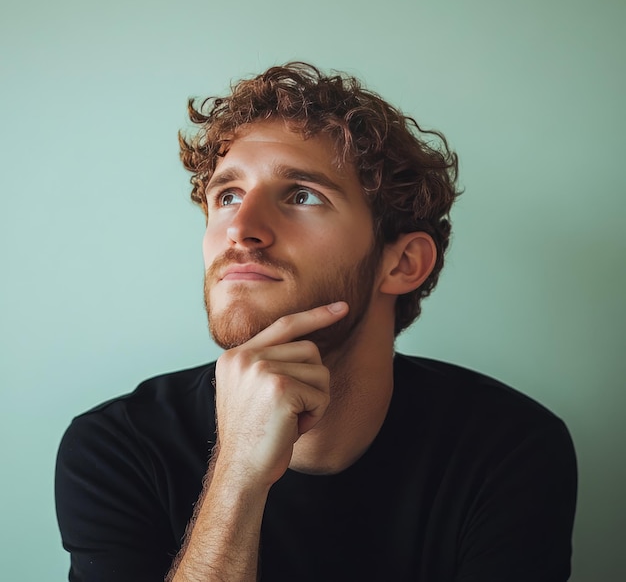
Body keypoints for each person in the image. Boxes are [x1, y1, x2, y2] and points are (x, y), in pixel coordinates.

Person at [55, 62, 577, 582]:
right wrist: (237, 476)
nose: (241, 229)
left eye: (303, 195)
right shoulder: (115, 451)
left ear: (402, 264)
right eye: (227, 196)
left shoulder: (507, 449)